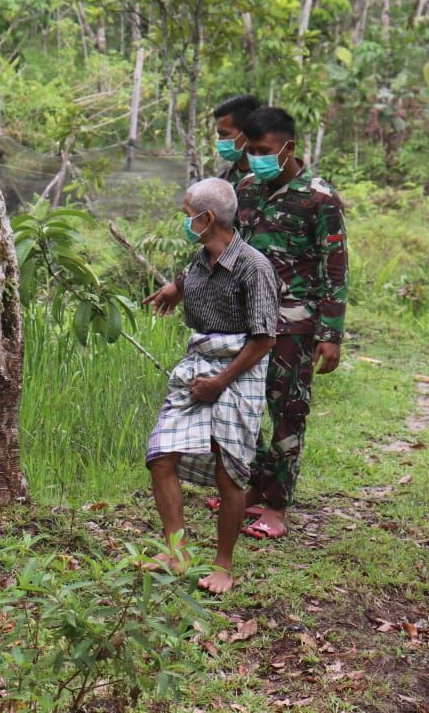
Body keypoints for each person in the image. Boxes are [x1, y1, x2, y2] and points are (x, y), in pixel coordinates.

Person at [145, 107, 349, 542]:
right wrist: (180, 284)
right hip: (244, 317)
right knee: (245, 405)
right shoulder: (247, 189)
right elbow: (223, 245)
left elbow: (336, 269)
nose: (255, 158)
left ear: (288, 148)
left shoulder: (319, 197)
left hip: (296, 321)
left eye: (264, 150)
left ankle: (275, 505)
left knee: (287, 411)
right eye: (250, 150)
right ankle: (248, 486)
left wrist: (331, 334)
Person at [144, 177, 279, 594]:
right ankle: (177, 549)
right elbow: (193, 279)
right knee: (161, 456)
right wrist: (175, 288)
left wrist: (220, 383)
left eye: (188, 215)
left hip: (238, 371)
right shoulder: (201, 258)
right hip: (197, 365)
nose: (185, 223)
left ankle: (223, 565)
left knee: (229, 470)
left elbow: (265, 339)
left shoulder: (254, 267)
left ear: (206, 218)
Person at [212, 94, 261, 186]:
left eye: (224, 134)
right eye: (219, 135)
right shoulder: (223, 179)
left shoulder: (268, 179)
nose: (219, 140)